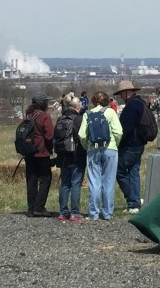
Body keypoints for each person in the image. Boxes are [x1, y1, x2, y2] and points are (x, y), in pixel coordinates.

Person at [85, 91, 122, 221]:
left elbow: (82, 135)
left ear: (93, 101)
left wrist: (87, 147)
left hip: (93, 149)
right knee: (109, 182)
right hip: (110, 149)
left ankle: (93, 213)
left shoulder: (88, 114)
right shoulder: (111, 112)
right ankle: (107, 213)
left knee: (94, 182)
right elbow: (118, 132)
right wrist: (114, 144)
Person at [114, 79, 145, 213]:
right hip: (139, 143)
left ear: (126, 92)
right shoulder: (141, 103)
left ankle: (132, 200)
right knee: (134, 172)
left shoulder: (131, 106)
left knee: (119, 171)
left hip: (130, 144)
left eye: (121, 93)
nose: (120, 96)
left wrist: (118, 143)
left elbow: (125, 128)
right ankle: (136, 201)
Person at [55, 93, 87, 223]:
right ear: (77, 106)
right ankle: (75, 212)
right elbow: (83, 137)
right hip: (76, 155)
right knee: (76, 184)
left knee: (65, 184)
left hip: (63, 156)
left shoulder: (60, 120)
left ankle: (63, 212)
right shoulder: (79, 119)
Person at [22, 93, 55, 217]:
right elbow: (49, 135)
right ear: (43, 103)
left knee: (31, 179)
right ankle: (39, 207)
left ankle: (31, 207)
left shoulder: (28, 115)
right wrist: (50, 148)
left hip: (29, 151)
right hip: (41, 152)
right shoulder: (45, 116)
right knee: (45, 179)